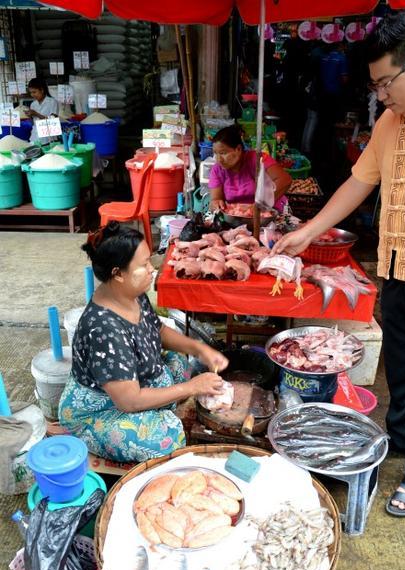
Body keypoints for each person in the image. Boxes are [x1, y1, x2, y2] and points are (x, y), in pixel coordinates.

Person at [273, 11, 405, 517]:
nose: (381, 94)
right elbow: (359, 183)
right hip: (396, 268)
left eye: (385, 83)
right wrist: (306, 234)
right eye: (376, 85)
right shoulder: (388, 123)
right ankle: (400, 440)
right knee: (400, 370)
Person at [58, 222, 228, 463]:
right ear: (117, 274)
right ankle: (89, 432)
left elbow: (157, 331)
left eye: (149, 261)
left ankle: (162, 403)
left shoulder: (131, 293)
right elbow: (129, 401)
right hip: (103, 407)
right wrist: (192, 388)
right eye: (144, 265)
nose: (152, 270)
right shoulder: (104, 329)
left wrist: (199, 349)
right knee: (164, 437)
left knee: (181, 362)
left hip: (133, 383)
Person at [208, 125, 292, 213]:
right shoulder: (217, 170)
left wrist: (262, 205)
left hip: (271, 212)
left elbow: (285, 180)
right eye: (215, 153)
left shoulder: (257, 159)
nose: (218, 159)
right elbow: (216, 198)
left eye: (223, 153)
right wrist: (216, 203)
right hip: (238, 217)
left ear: (238, 149)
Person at [25, 77, 59, 144]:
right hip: (35, 137)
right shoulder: (33, 104)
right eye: (31, 92)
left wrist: (36, 114)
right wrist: (29, 116)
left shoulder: (52, 102)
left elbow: (53, 121)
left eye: (34, 92)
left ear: (42, 90)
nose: (32, 95)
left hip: (49, 138)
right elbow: (33, 123)